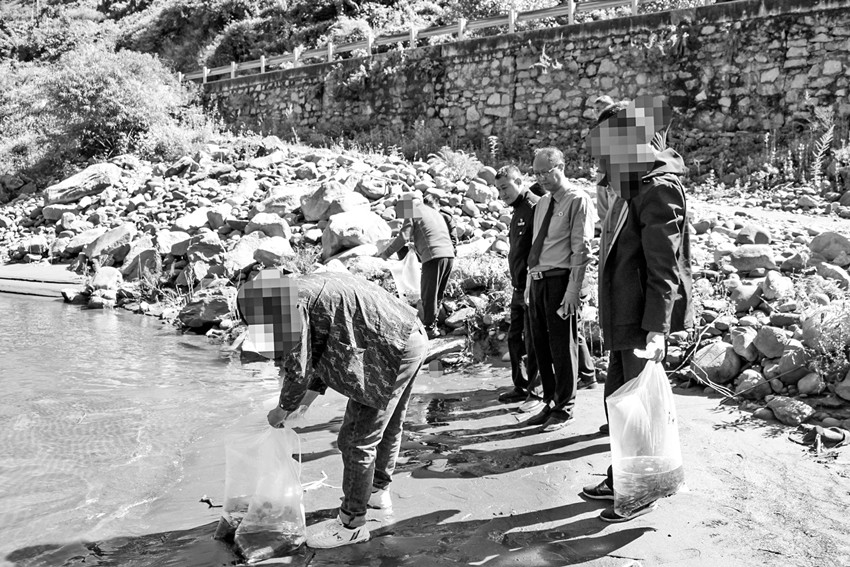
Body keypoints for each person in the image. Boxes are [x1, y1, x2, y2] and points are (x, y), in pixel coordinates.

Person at [238, 269, 429, 549]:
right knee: (387, 427)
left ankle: (352, 525)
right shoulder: (301, 290)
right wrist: (305, 402)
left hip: (389, 351)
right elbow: (320, 350)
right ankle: (377, 491)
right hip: (410, 337)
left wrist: (281, 410)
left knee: (355, 440)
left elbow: (298, 369)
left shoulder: (292, 307)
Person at [581, 96, 693, 522]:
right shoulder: (635, 181)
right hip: (624, 314)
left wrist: (657, 330)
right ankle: (622, 478)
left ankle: (642, 491)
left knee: (640, 411)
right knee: (619, 403)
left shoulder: (658, 188)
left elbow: (664, 267)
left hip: (641, 321)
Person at [523, 147, 597, 433]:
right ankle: (550, 401)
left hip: (560, 280)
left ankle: (565, 407)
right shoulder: (543, 203)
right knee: (540, 345)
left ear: (561, 167)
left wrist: (573, 290)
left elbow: (582, 249)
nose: (541, 178)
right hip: (538, 280)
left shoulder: (578, 199)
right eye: (536, 173)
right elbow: (536, 246)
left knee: (563, 346)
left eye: (546, 171)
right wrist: (529, 283)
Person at [494, 165, 542, 412]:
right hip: (518, 285)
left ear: (520, 181)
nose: (502, 194)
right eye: (498, 190)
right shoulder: (518, 209)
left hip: (532, 285)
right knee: (516, 338)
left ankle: (537, 392)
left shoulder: (534, 206)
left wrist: (531, 282)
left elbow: (540, 248)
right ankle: (521, 386)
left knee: (533, 340)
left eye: (505, 187)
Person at [379, 193, 455, 339]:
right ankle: (434, 326)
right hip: (449, 255)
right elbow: (431, 234)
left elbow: (403, 237)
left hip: (433, 256)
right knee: (437, 293)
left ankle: (428, 330)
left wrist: (385, 254)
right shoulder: (433, 212)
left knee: (428, 294)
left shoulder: (411, 210)